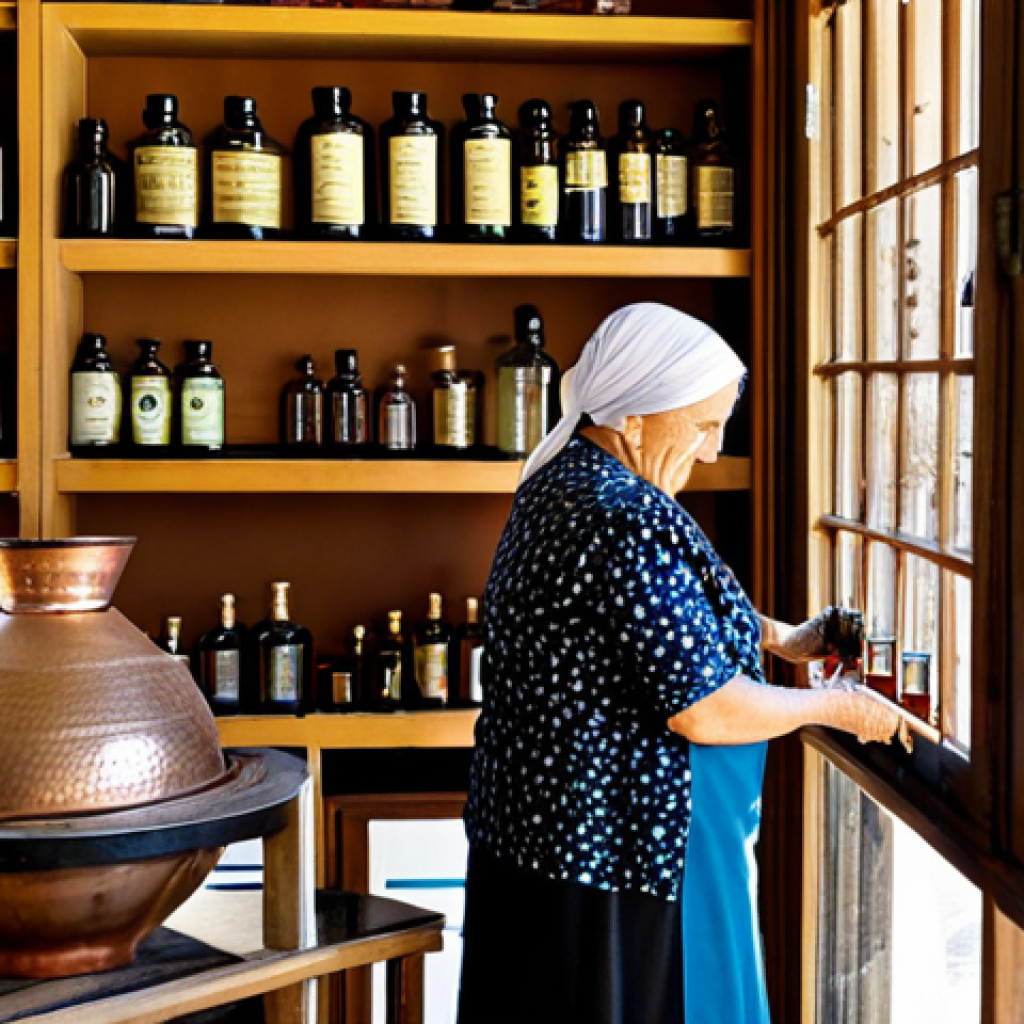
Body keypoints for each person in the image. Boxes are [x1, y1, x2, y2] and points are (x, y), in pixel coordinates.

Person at [456, 302, 900, 1024]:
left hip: (548, 838)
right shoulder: (620, 514)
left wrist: (782, 639)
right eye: (702, 426)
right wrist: (835, 706)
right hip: (620, 849)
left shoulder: (567, 480)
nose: (712, 450)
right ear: (635, 419)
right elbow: (707, 708)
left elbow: (649, 621)